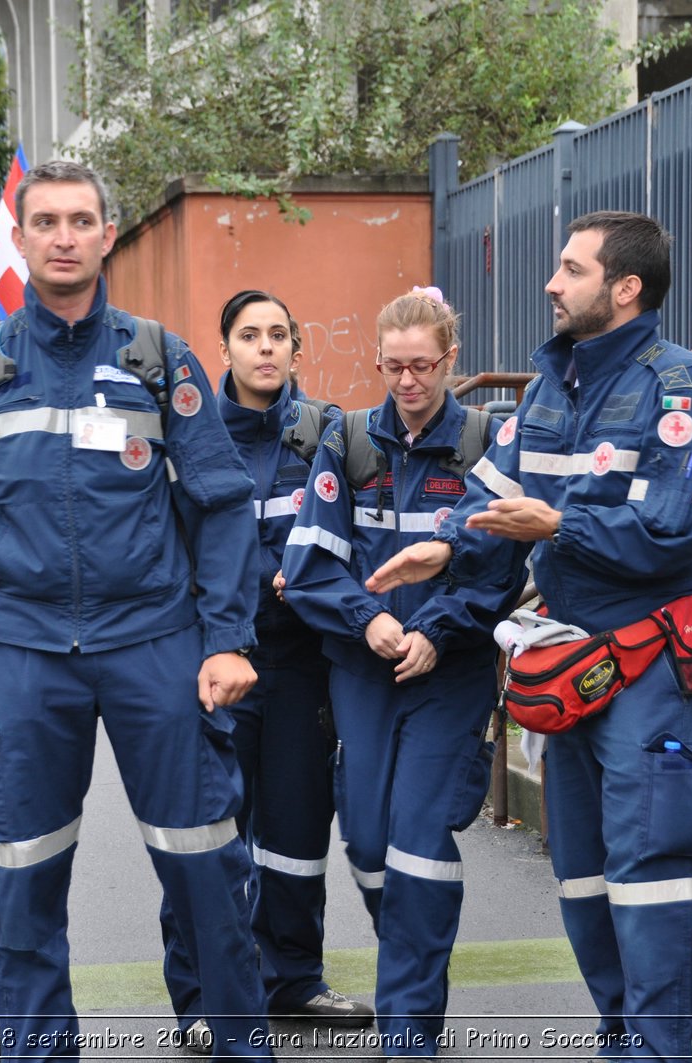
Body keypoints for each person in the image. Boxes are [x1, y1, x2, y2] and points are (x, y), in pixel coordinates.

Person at [368, 212, 692, 1061]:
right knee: (582, 873)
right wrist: (446, 541)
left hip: (655, 670)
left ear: (624, 288)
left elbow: (675, 532)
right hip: (573, 665)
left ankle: (656, 1049)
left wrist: (559, 525)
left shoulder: (683, 392)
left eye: (570, 270)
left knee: (656, 875)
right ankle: (620, 1035)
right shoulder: (554, 385)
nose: (551, 283)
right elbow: (490, 493)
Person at [0, 159, 273, 1058]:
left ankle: (242, 1042)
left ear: (107, 235)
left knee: (203, 861)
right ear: (24, 237)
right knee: (26, 872)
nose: (66, 237)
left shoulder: (158, 357)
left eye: (82, 220)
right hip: (26, 652)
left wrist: (228, 639)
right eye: (48, 222)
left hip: (154, 642)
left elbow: (223, 502)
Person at [280, 288, 521, 1059]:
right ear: (376, 361)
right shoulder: (346, 441)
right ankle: (409, 947)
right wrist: (372, 620)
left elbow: (505, 570)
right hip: (364, 667)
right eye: (395, 366)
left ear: (450, 361)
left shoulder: (489, 443)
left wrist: (438, 632)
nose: (409, 381)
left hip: (449, 675)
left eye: (423, 366)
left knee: (418, 837)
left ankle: (409, 1026)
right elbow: (311, 563)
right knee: (370, 840)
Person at [161, 291, 371, 1051]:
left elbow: (350, 531)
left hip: (298, 663)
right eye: (249, 335)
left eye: (279, 334)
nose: (265, 348)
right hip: (213, 665)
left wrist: (309, 573)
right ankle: (199, 999)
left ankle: (293, 979)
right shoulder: (189, 433)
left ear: (295, 349)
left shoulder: (325, 433)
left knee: (295, 831)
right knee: (206, 836)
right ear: (224, 349)